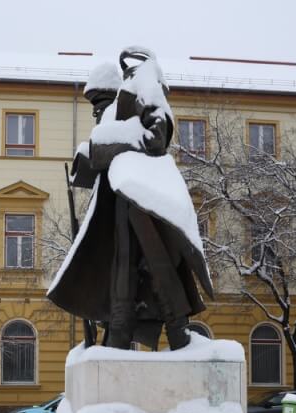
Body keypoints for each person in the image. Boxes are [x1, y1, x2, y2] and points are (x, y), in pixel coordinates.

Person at [48, 47, 214, 350]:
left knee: (157, 263)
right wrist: (88, 158)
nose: (97, 113)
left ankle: (176, 329)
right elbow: (120, 144)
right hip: (122, 199)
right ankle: (121, 331)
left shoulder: (145, 84)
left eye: (99, 105)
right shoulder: (121, 107)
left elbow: (155, 138)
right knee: (122, 266)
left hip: (143, 197)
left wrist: (101, 147)